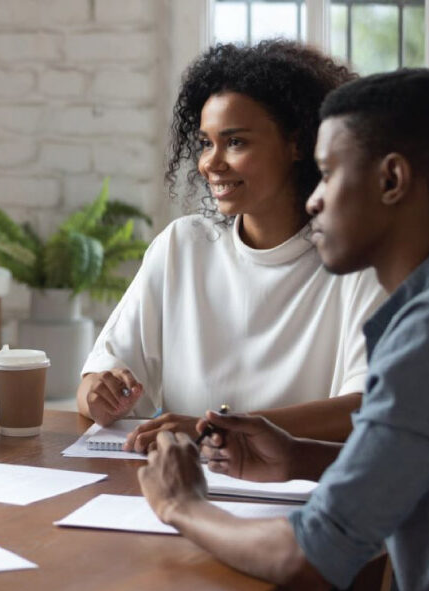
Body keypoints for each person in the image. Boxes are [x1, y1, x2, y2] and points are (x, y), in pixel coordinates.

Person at [138, 68, 429, 591]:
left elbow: (307, 558)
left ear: (391, 180)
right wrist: (301, 457)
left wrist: (180, 504)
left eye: (327, 174)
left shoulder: (425, 338)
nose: (314, 200)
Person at [77, 41, 385, 452]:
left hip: (298, 501)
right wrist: (100, 393)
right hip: (181, 493)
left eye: (235, 142)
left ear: (297, 143)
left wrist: (214, 428)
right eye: (206, 142)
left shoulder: (356, 262)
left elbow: (365, 407)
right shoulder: (182, 247)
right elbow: (95, 385)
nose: (210, 162)